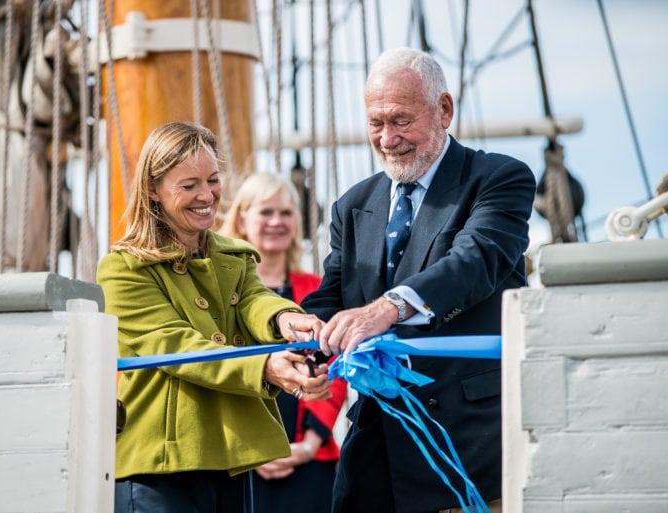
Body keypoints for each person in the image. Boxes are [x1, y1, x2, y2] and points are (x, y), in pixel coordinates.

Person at [301, 48, 536, 513]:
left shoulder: (498, 179)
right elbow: (330, 296)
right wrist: (298, 336)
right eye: (375, 123)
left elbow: (475, 260)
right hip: (376, 460)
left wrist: (386, 309)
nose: (387, 138)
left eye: (400, 120)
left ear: (444, 110)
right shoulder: (352, 205)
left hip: (471, 452)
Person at [97, 122, 329, 513]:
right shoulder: (122, 269)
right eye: (189, 186)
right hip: (159, 467)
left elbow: (256, 301)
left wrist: (287, 319)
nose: (207, 196)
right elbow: (175, 345)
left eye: (213, 180)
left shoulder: (233, 256)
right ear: (153, 189)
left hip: (230, 458)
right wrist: (265, 367)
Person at [220, 173, 348, 513]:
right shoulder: (221, 296)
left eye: (286, 213)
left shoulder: (318, 289)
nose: (277, 222)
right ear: (242, 220)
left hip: (309, 458)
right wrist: (249, 447)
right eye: (266, 212)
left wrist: (308, 445)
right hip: (236, 461)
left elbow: (336, 368)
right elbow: (215, 366)